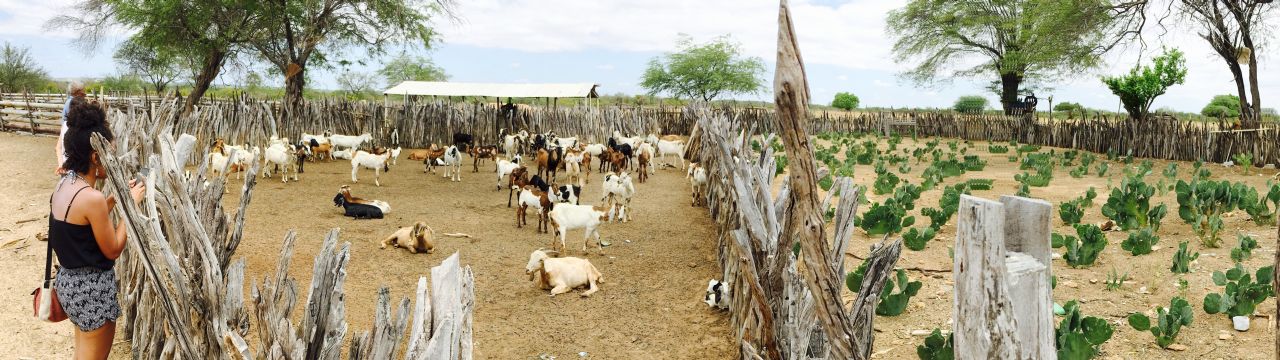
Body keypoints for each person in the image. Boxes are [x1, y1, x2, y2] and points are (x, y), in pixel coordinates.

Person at [48, 98, 144, 359]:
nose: (111, 159)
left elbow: (85, 221)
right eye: (108, 153)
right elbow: (112, 249)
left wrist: (117, 196)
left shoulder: (65, 184)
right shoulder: (92, 198)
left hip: (69, 285)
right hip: (92, 293)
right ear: (94, 155)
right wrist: (130, 207)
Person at [55, 81, 87, 174]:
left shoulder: (70, 101)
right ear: (78, 92)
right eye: (83, 90)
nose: (84, 92)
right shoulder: (73, 103)